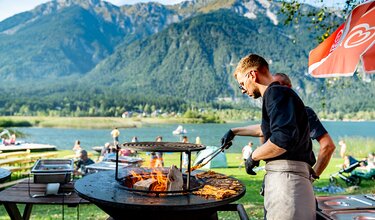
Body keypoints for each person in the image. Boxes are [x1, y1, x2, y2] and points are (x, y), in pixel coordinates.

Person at [220, 54, 316, 219]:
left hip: (287, 182)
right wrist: (235, 131)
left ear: (252, 75)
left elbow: (282, 138)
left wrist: (253, 156)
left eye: (242, 84)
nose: (243, 90)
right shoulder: (279, 95)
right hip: (288, 181)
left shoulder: (275, 93)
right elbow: (267, 129)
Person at [273, 72, 336, 178]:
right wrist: (236, 131)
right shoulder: (276, 115)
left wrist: (313, 176)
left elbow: (328, 146)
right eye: (271, 86)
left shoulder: (303, 112)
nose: (273, 90)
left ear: (288, 87)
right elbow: (260, 130)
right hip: (274, 178)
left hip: (295, 178)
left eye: (277, 86)